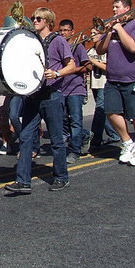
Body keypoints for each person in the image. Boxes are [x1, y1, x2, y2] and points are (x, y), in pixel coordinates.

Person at [5, 8, 75, 194]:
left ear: (49, 21)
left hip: (51, 95)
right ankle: (23, 181)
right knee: (26, 138)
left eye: (38, 18)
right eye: (34, 18)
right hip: (33, 96)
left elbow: (72, 65)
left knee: (56, 139)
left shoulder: (58, 40)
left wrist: (57, 73)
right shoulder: (31, 41)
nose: (34, 21)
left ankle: (61, 177)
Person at [94, 0, 135, 167]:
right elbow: (99, 49)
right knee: (111, 112)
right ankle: (127, 142)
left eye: (117, 7)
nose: (114, 10)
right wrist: (108, 32)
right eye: (113, 7)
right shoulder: (112, 29)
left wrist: (119, 28)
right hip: (113, 79)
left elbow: (133, 47)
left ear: (127, 9)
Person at [58, 19, 92, 163]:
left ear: (72, 31)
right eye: (61, 30)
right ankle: (84, 135)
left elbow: (89, 66)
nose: (63, 33)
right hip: (61, 89)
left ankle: (74, 151)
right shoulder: (58, 46)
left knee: (75, 120)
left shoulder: (78, 47)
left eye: (66, 30)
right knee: (63, 120)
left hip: (76, 89)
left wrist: (73, 70)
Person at [87, 45, 121, 150]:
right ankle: (114, 134)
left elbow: (108, 67)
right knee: (103, 110)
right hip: (95, 83)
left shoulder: (107, 50)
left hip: (104, 82)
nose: (92, 35)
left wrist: (93, 60)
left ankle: (95, 138)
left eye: (95, 33)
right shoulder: (91, 50)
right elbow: (88, 67)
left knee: (99, 109)